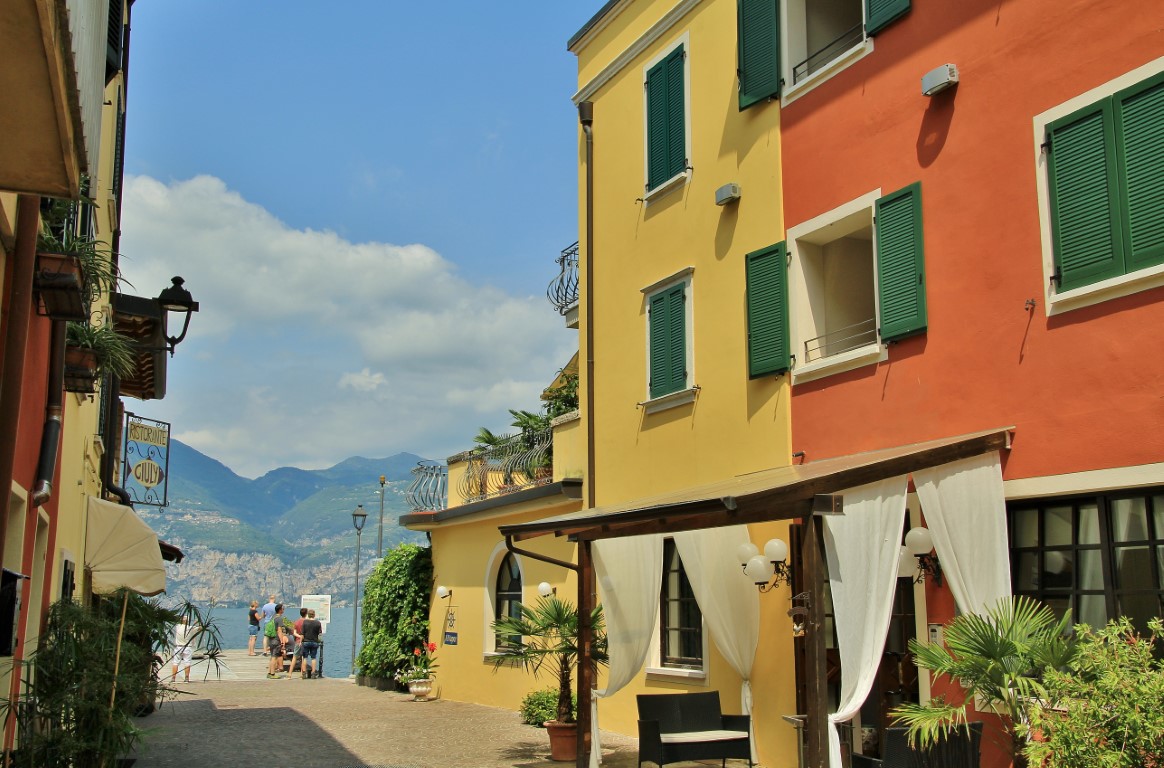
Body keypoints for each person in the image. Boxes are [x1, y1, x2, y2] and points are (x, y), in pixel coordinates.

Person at [170, 615, 196, 683]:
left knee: (175, 662)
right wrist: (196, 623)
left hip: (178, 647)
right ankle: (186, 678)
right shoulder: (190, 628)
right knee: (187, 662)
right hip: (187, 647)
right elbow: (200, 628)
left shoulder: (177, 627)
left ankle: (173, 678)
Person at [299, 609, 322, 679]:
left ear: (308, 615)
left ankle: (304, 673)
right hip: (314, 642)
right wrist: (319, 641)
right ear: (314, 615)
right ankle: (313, 673)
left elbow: (302, 634)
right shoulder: (318, 623)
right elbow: (320, 634)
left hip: (306, 641)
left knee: (305, 658)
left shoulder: (305, 622)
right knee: (313, 658)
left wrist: (300, 642)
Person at [265, 603, 287, 678]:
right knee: (275, 657)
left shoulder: (273, 617)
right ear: (280, 610)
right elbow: (279, 631)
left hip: (271, 639)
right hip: (276, 640)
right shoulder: (279, 619)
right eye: (283, 609)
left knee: (272, 656)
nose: (283, 610)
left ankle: (269, 672)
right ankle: (272, 674)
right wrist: (282, 641)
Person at [291, 607, 307, 677]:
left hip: (297, 641)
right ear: (306, 614)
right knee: (304, 657)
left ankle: (289, 673)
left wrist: (299, 636)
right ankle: (302, 674)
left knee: (294, 657)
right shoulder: (307, 622)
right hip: (305, 641)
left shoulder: (296, 622)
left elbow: (294, 633)